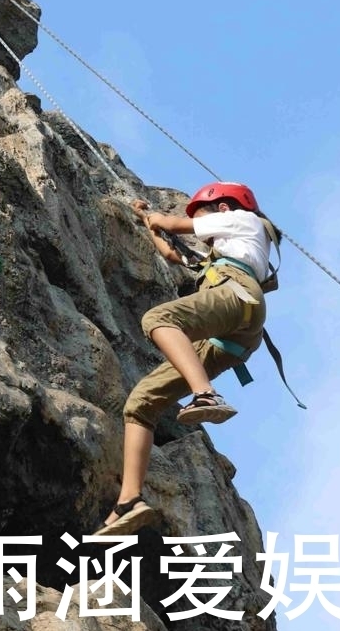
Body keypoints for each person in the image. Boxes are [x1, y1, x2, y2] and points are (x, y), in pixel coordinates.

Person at [96, 181, 279, 536]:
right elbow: (171, 252)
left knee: (158, 319)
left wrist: (159, 217)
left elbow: (179, 226)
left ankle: (205, 394)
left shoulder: (244, 220)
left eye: (204, 216)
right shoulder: (223, 252)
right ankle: (129, 500)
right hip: (234, 335)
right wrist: (149, 222)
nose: (205, 232)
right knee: (141, 403)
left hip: (236, 294)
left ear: (223, 209)